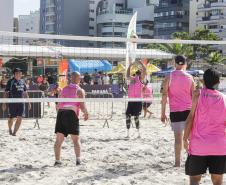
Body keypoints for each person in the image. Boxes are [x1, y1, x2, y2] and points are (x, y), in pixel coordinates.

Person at [184, 68, 226, 185]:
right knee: (217, 181)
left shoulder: (197, 95)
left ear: (203, 81)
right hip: (219, 146)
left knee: (194, 180)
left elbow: (190, 118)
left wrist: (184, 138)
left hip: (199, 146)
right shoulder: (224, 98)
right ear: (218, 82)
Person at [161, 55, 195, 167]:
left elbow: (165, 96)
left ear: (174, 63)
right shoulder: (190, 77)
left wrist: (162, 113)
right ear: (185, 64)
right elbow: (194, 97)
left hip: (175, 112)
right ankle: (191, 160)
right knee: (190, 138)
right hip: (188, 111)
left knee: (178, 140)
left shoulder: (168, 77)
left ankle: (177, 163)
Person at [54, 72, 88, 166]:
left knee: (59, 140)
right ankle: (78, 161)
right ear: (78, 79)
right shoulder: (79, 90)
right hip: (71, 113)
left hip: (61, 113)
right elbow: (82, 105)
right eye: (80, 78)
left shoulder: (64, 89)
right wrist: (86, 113)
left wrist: (60, 115)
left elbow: (57, 106)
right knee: (76, 140)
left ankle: (57, 161)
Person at [2, 68, 31, 136]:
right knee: (11, 118)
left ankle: (14, 132)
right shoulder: (10, 81)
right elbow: (6, 92)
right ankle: (10, 129)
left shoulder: (22, 81)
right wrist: (4, 103)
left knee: (20, 117)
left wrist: (29, 102)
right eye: (17, 73)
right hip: (12, 102)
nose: (19, 74)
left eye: (20, 73)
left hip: (21, 103)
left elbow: (25, 92)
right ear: (14, 74)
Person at [126, 60, 146, 138]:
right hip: (131, 100)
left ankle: (138, 133)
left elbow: (144, 70)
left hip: (137, 101)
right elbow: (127, 73)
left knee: (136, 117)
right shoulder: (132, 79)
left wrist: (140, 63)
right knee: (128, 115)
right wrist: (130, 65)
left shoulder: (140, 80)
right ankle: (128, 133)